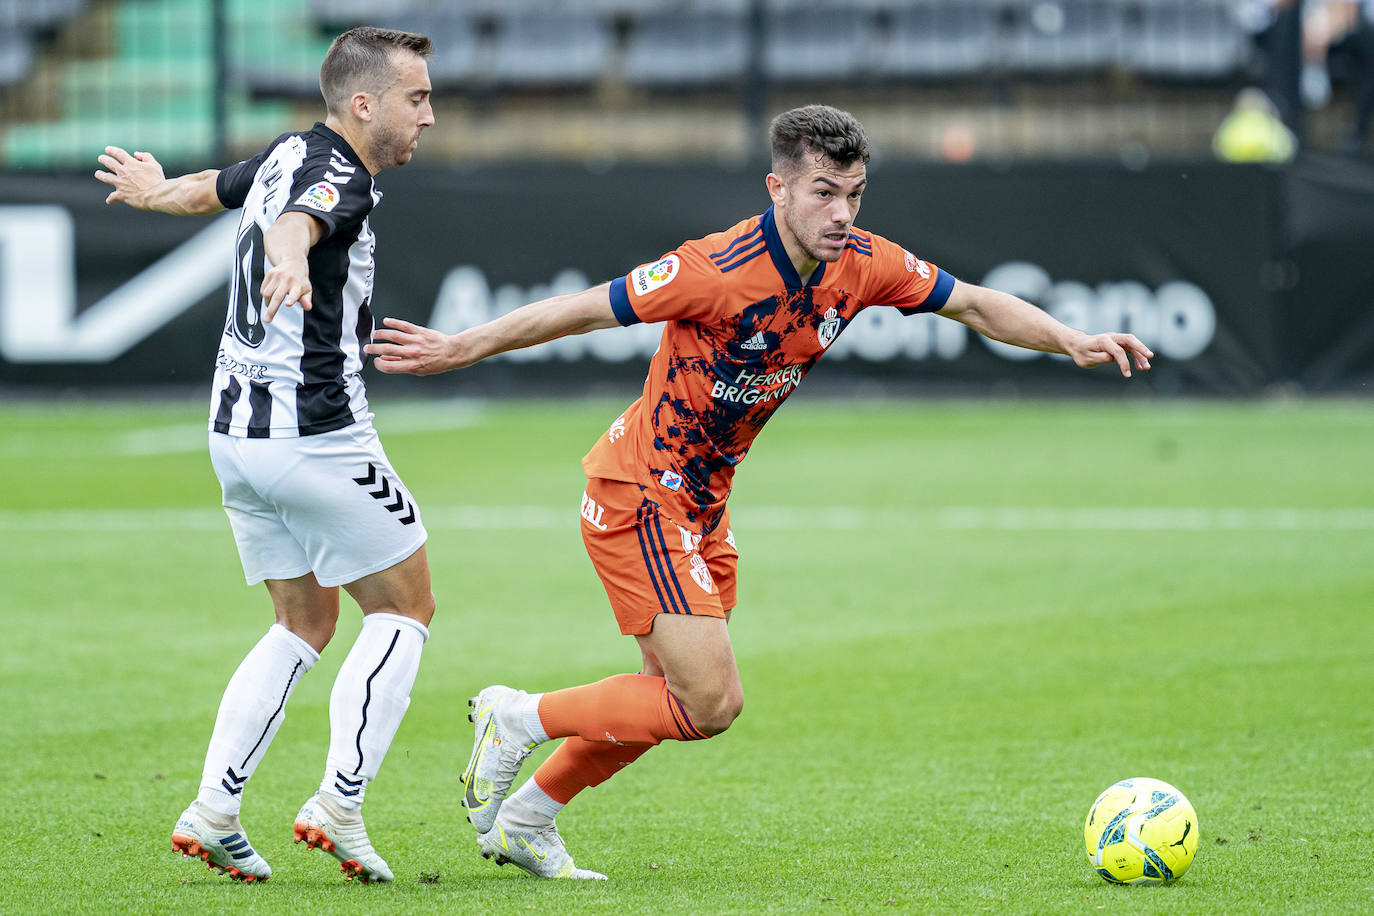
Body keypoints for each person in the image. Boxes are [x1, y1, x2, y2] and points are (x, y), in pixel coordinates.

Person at [366, 104, 1154, 881]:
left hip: (704, 506)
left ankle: (530, 819)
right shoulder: (714, 268)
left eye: (854, 193)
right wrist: (461, 346)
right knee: (710, 703)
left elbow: (976, 302)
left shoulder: (865, 261)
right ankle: (516, 716)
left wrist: (1069, 338)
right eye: (822, 192)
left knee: (664, 694)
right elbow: (580, 310)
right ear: (776, 187)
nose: (841, 212)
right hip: (639, 494)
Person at [94, 27, 437, 884]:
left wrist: (150, 191)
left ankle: (213, 809)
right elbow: (295, 225)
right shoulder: (339, 178)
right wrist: (291, 262)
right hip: (314, 436)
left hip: (235, 438)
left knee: (303, 622)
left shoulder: (290, 150)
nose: (428, 116)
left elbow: (214, 190)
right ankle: (340, 802)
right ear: (364, 104)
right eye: (417, 98)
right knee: (405, 609)